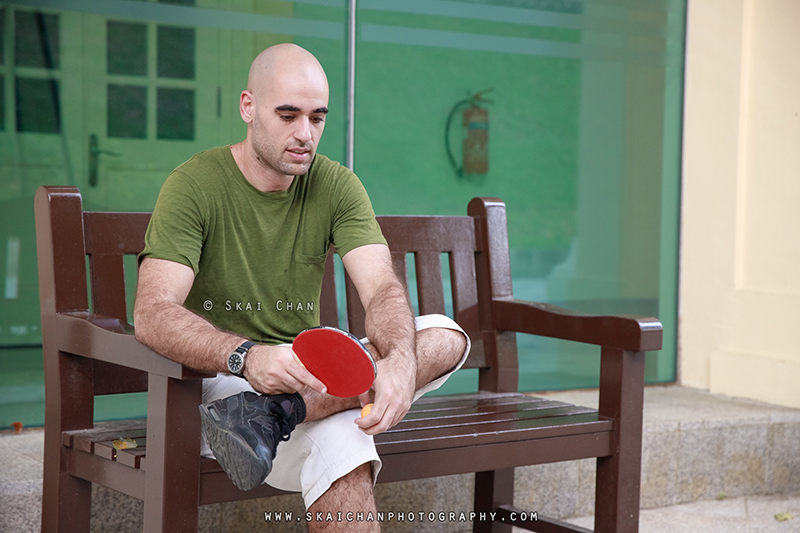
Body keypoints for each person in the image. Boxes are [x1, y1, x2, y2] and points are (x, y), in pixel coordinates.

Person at [133, 43, 469, 531]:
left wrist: (395, 360)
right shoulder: (195, 185)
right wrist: (249, 356)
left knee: (444, 335)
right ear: (248, 107)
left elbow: (381, 291)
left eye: (317, 118)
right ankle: (272, 410)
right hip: (218, 388)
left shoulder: (335, 185)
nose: (304, 134)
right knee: (347, 441)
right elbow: (153, 312)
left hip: (308, 378)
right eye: (288, 115)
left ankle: (277, 414)